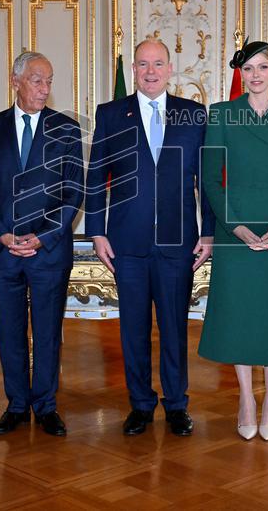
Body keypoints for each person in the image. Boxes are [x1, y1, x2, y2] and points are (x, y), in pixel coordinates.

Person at [85, 38, 214, 437]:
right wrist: (96, 230)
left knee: (174, 328)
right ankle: (140, 404)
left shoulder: (194, 115)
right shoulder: (110, 114)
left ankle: (176, 404)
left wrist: (208, 232)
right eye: (143, 64)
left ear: (170, 69)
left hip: (179, 243)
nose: (150, 71)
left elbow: (206, 181)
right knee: (133, 329)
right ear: (135, 70)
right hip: (127, 241)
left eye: (158, 64)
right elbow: (95, 175)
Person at [198, 40, 268, 442]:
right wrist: (234, 226)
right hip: (236, 228)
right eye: (248, 69)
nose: (256, 75)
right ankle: (246, 398)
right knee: (239, 313)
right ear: (240, 74)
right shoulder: (222, 114)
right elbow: (210, 178)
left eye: (263, 67)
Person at [0, 51, 85, 438]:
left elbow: (74, 192)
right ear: (15, 80)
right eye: (37, 80)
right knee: (9, 331)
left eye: (49, 81)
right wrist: (1, 234)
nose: (44, 88)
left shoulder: (67, 130)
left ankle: (46, 405)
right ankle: (17, 404)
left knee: (49, 331)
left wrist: (43, 235)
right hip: (3, 251)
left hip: (48, 250)